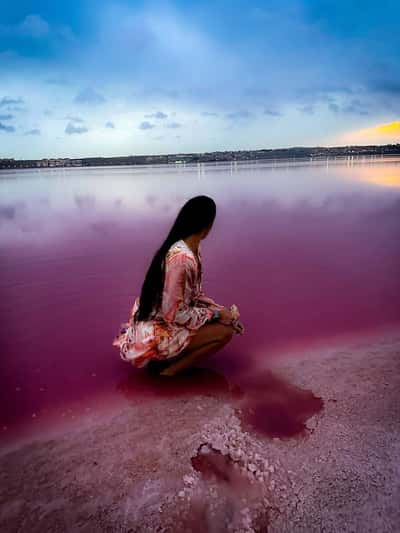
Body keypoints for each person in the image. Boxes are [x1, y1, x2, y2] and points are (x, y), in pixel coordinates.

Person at [112, 195, 244, 376]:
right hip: (157, 329)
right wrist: (216, 315)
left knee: (226, 324)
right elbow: (173, 314)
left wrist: (224, 313)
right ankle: (169, 372)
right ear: (208, 226)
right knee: (225, 333)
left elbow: (194, 296)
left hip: (160, 319)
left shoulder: (190, 248)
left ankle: (167, 363)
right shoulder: (182, 259)